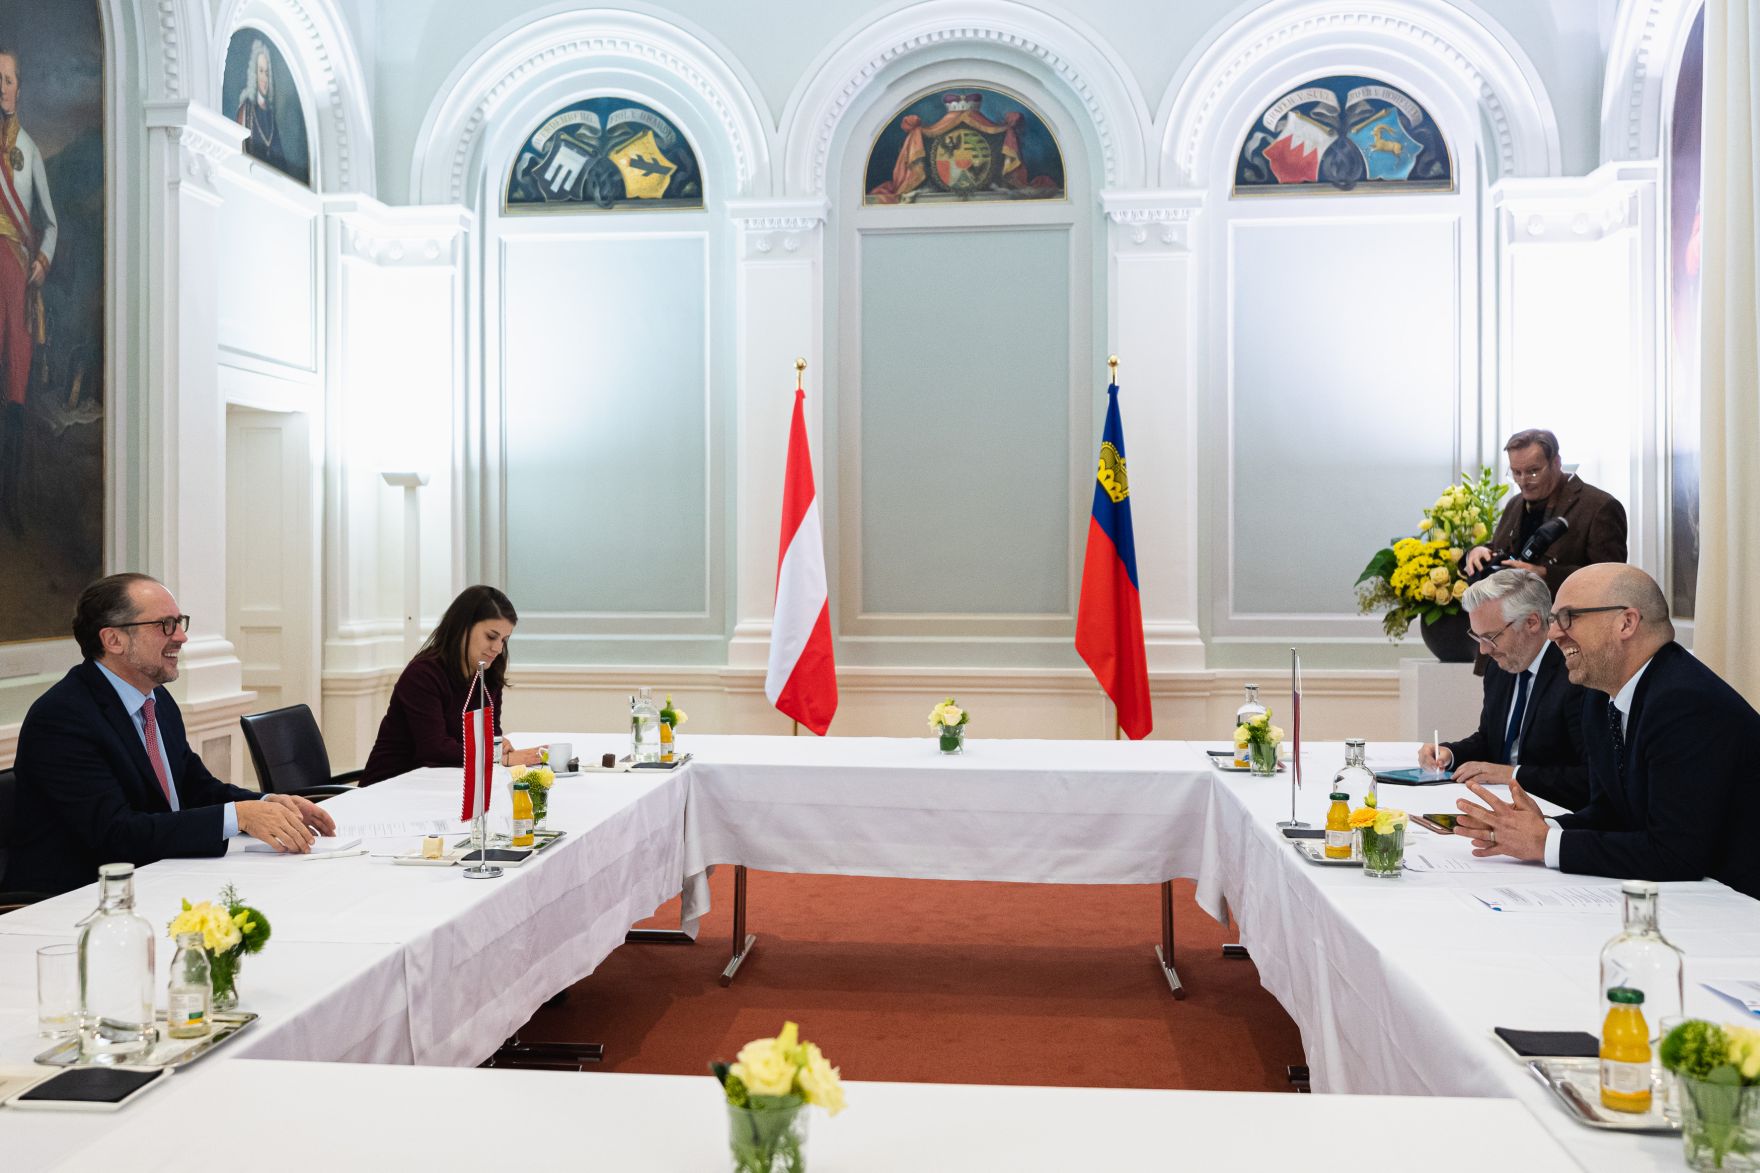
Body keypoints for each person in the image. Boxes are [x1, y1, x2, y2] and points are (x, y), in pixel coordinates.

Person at [5, 574, 337, 896]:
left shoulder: (157, 699)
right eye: (165, 624)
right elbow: (115, 833)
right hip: (77, 901)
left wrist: (265, 804)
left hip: (159, 876)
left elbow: (195, 787)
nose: (181, 637)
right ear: (113, 640)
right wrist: (240, 816)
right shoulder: (63, 718)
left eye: (180, 622)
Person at [1451, 564, 1760, 899]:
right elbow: (1609, 813)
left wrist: (1545, 843)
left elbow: (1675, 855)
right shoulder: (1601, 697)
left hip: (1739, 906)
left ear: (1626, 623)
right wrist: (1533, 828)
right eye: (1554, 619)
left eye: (1568, 618)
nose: (1554, 634)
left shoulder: (1685, 701)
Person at [1419, 569, 1589, 810]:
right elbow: (1490, 741)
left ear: (1532, 622)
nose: (1484, 651)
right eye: (1478, 638)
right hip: (1501, 804)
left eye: (1491, 637)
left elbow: (1588, 778)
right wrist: (1450, 753)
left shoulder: (1575, 675)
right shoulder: (1500, 667)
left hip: (1554, 815)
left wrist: (1513, 774)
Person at [359, 585, 547, 784]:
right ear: (463, 627)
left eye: (504, 640)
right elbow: (435, 750)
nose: (498, 648)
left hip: (440, 785)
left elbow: (489, 738)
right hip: (389, 789)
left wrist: (498, 747)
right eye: (491, 637)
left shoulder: (488, 674)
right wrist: (498, 756)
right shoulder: (423, 675)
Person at [0, 47, 59, 536]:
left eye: (8, 79)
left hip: (17, 275)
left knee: (13, 390)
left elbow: (51, 222)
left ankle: (10, 501)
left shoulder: (32, 151)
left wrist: (42, 259)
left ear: (20, 87)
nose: (1, 87)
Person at [1462, 429, 1627, 595]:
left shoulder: (1600, 506)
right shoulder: (1515, 503)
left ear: (1556, 462)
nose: (1523, 481)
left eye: (1533, 471)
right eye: (1516, 472)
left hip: (1566, 617)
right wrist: (1479, 551)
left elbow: (1610, 579)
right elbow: (1503, 550)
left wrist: (1544, 574)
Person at [234, 39, 287, 173]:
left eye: (267, 73)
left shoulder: (271, 118)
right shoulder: (245, 110)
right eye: (261, 71)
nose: (264, 78)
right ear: (255, 74)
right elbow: (238, 155)